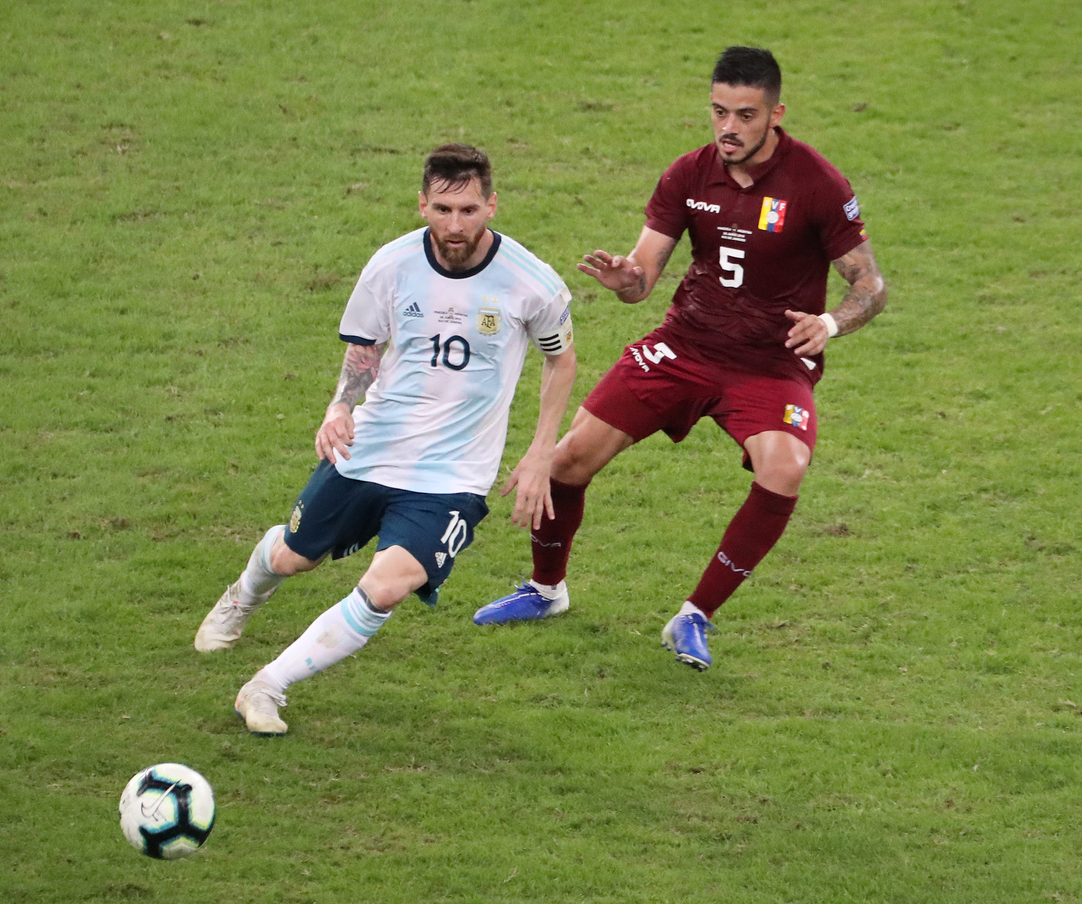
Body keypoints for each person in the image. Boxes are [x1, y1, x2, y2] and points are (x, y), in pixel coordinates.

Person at [473, 47, 887, 672]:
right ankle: (545, 589)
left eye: (745, 115)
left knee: (786, 467)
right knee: (568, 459)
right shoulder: (689, 175)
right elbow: (643, 277)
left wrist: (828, 323)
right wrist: (625, 280)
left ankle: (694, 616)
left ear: (776, 114)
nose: (729, 128)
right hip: (686, 345)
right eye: (719, 112)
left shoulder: (817, 184)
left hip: (770, 364)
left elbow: (870, 285)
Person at [194, 144, 577, 734]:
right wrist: (340, 406)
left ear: (492, 205)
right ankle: (243, 596)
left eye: (468, 210)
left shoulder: (531, 282)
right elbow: (364, 347)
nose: (455, 225)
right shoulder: (392, 265)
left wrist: (539, 451)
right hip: (372, 448)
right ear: (422, 205)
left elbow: (561, 359)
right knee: (294, 556)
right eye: (443, 209)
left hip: (454, 474)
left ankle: (266, 686)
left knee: (389, 585)